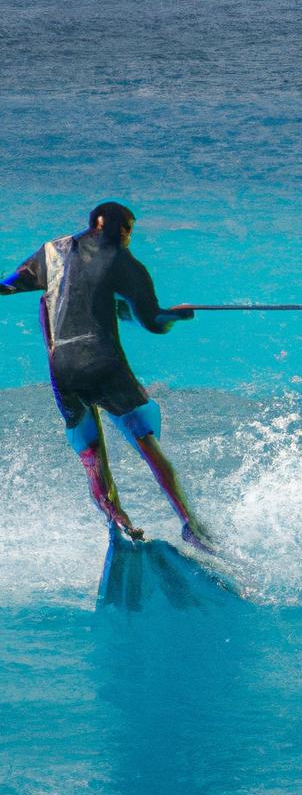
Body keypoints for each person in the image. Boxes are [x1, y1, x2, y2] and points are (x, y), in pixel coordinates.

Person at [0, 201, 210, 548]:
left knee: (92, 456)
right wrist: (178, 315)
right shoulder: (123, 261)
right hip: (103, 364)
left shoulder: (54, 250)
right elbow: (153, 322)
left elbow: (8, 285)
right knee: (144, 441)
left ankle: (119, 522)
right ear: (122, 229)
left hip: (63, 370)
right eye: (130, 230)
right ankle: (191, 525)